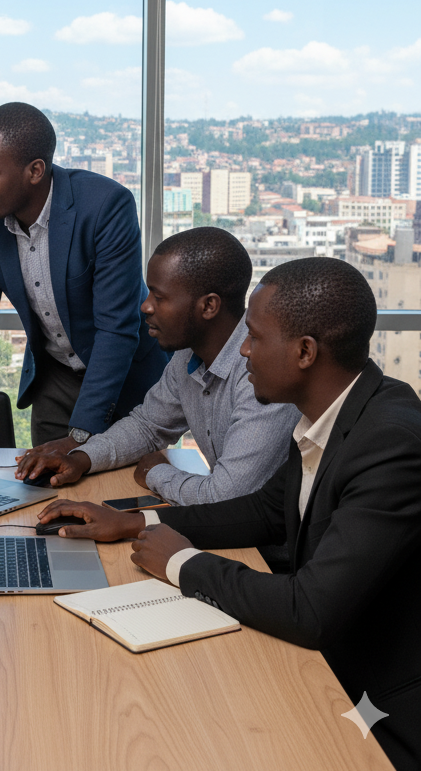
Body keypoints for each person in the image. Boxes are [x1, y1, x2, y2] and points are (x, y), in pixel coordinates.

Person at [38, 257, 421, 771]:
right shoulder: (331, 413)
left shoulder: (390, 442)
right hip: (331, 658)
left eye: (256, 338)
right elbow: (266, 512)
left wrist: (181, 563)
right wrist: (138, 522)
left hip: (381, 702)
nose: (242, 350)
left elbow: (309, 611)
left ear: (305, 352)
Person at [14, 226, 299, 510]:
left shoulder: (262, 373)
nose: (146, 307)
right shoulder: (188, 353)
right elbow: (147, 426)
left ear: (209, 306)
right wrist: (79, 459)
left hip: (267, 548)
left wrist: (155, 473)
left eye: (159, 298)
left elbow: (226, 496)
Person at [0, 102, 167, 448]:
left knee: (121, 498)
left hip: (123, 380)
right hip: (54, 379)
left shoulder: (106, 206)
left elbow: (116, 330)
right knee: (46, 490)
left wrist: (80, 437)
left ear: (35, 170)